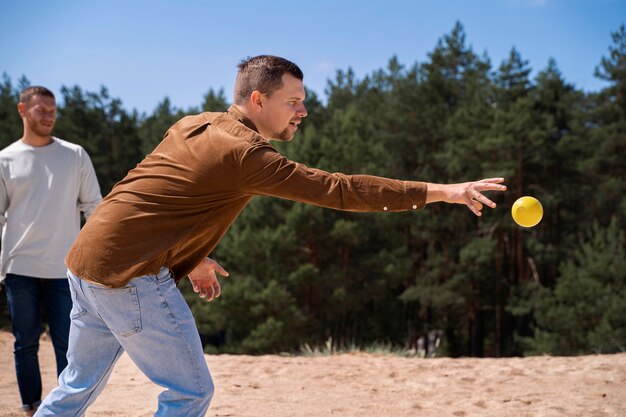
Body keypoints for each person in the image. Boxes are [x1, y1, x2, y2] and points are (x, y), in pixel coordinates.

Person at [35, 55, 506, 416]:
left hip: (86, 260)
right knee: (191, 391)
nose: (303, 111)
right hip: (129, 274)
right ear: (258, 100)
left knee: (77, 383)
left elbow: (153, 195)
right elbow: (338, 190)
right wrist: (444, 191)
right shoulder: (247, 155)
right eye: (293, 101)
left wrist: (192, 257)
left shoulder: (193, 123)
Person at [0, 86, 102, 416]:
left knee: (68, 345)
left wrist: (93, 259)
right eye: (42, 110)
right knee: (25, 343)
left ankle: (65, 410)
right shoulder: (5, 160)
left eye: (53, 111)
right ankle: (32, 408)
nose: (49, 117)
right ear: (22, 110)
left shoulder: (74, 155)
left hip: (65, 269)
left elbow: (95, 209)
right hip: (20, 267)